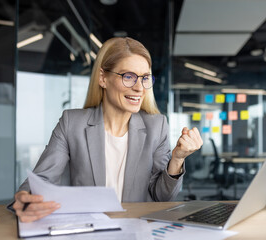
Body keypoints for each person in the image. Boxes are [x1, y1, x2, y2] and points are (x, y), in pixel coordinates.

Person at [12, 37, 203, 222]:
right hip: (88, 230)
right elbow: (41, 180)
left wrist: (177, 159)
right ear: (103, 78)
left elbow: (162, 197)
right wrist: (25, 198)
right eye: (128, 77)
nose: (139, 88)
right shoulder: (72, 123)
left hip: (136, 229)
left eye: (144, 78)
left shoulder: (157, 126)